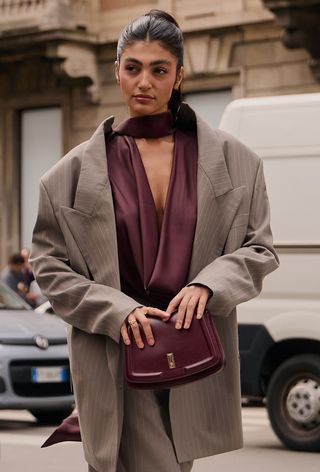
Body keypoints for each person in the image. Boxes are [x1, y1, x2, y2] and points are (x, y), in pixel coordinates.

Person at [30, 9, 279, 472]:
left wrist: (208, 285)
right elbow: (48, 267)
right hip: (116, 355)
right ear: (117, 71)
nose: (144, 82)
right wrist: (116, 309)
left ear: (179, 75)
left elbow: (259, 248)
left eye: (159, 70)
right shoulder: (65, 177)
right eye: (133, 68)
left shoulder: (239, 162)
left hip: (195, 351)